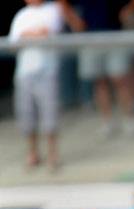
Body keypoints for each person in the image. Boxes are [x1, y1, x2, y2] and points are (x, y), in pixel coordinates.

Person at [9, 0, 84, 171]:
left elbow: (49, 33)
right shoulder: (21, 15)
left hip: (47, 71)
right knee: (27, 114)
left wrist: (26, 35)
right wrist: (32, 35)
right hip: (24, 72)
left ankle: (52, 154)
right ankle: (33, 153)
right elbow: (13, 43)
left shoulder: (53, 9)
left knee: (50, 114)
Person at [60, 0, 134, 136]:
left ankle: (129, 119)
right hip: (90, 36)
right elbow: (62, 3)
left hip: (115, 34)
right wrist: (73, 20)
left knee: (120, 79)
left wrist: (129, 10)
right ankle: (107, 122)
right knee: (99, 82)